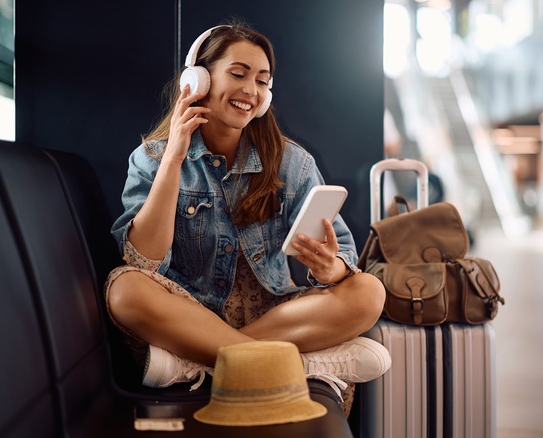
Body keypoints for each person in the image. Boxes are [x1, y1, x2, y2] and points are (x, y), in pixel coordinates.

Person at [104, 21, 390, 401]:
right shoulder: (151, 159)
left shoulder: (292, 163)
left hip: (274, 316)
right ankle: (297, 364)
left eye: (262, 81)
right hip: (189, 316)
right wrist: (174, 157)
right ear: (197, 80)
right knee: (125, 289)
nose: (250, 91)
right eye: (238, 74)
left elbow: (344, 258)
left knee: (368, 291)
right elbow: (143, 261)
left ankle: (204, 364)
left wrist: (329, 267)